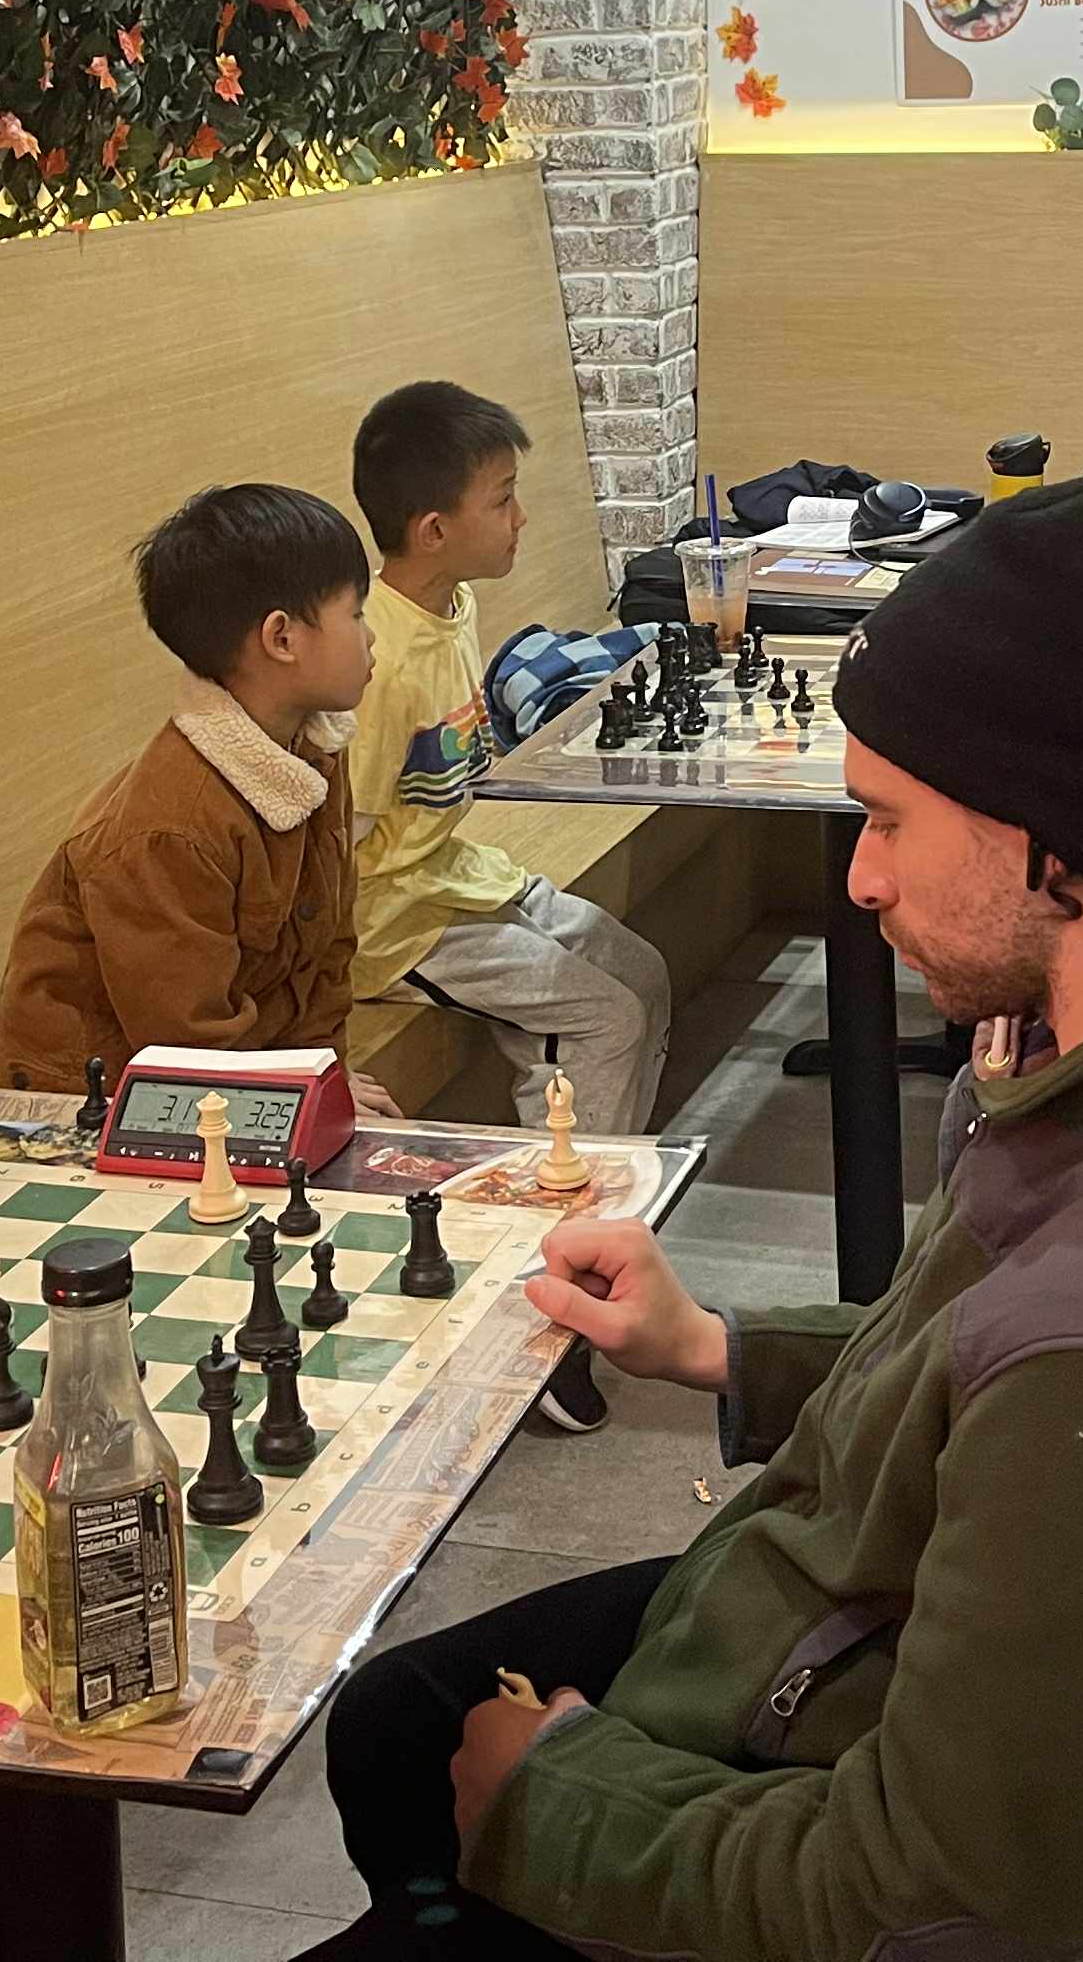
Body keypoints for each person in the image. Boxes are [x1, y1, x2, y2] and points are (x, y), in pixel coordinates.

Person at [289, 478, 1083, 1962]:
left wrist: (561, 1805)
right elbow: (994, 1369)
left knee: (440, 1762)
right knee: (398, 1721)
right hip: (882, 1629)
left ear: (1053, 840)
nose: (859, 879)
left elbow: (930, 1909)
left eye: (889, 821)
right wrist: (724, 1346)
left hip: (898, 1841)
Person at [349, 379, 676, 1434]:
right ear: (433, 528)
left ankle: (603, 1228)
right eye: (502, 499)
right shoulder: (375, 661)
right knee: (603, 1019)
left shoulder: (455, 607)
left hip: (457, 873)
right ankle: (544, 1305)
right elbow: (335, 851)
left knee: (644, 974)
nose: (521, 518)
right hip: (394, 922)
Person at [0, 483, 398, 1117]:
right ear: (282, 639)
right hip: (90, 1088)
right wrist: (295, 1104)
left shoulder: (314, 748)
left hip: (227, 1066)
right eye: (357, 614)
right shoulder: (169, 829)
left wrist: (325, 1072)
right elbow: (185, 1045)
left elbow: (327, 949)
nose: (371, 639)